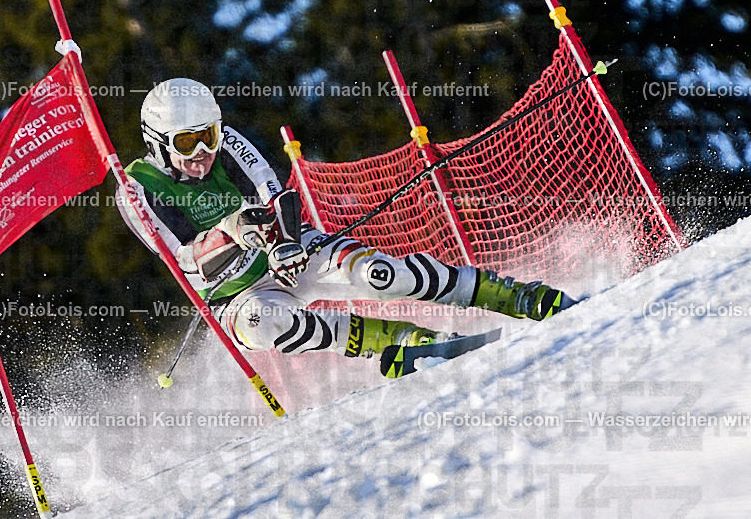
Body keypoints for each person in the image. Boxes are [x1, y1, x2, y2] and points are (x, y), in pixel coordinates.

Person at [116, 78, 575, 373]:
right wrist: (233, 228)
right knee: (262, 323)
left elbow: (275, 193)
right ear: (157, 144)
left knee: (378, 274)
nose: (202, 152)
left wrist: (283, 241)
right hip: (236, 296)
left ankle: (513, 294)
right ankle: (399, 341)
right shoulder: (136, 189)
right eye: (186, 142)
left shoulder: (229, 143)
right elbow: (183, 260)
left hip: (284, 255)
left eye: (208, 136)